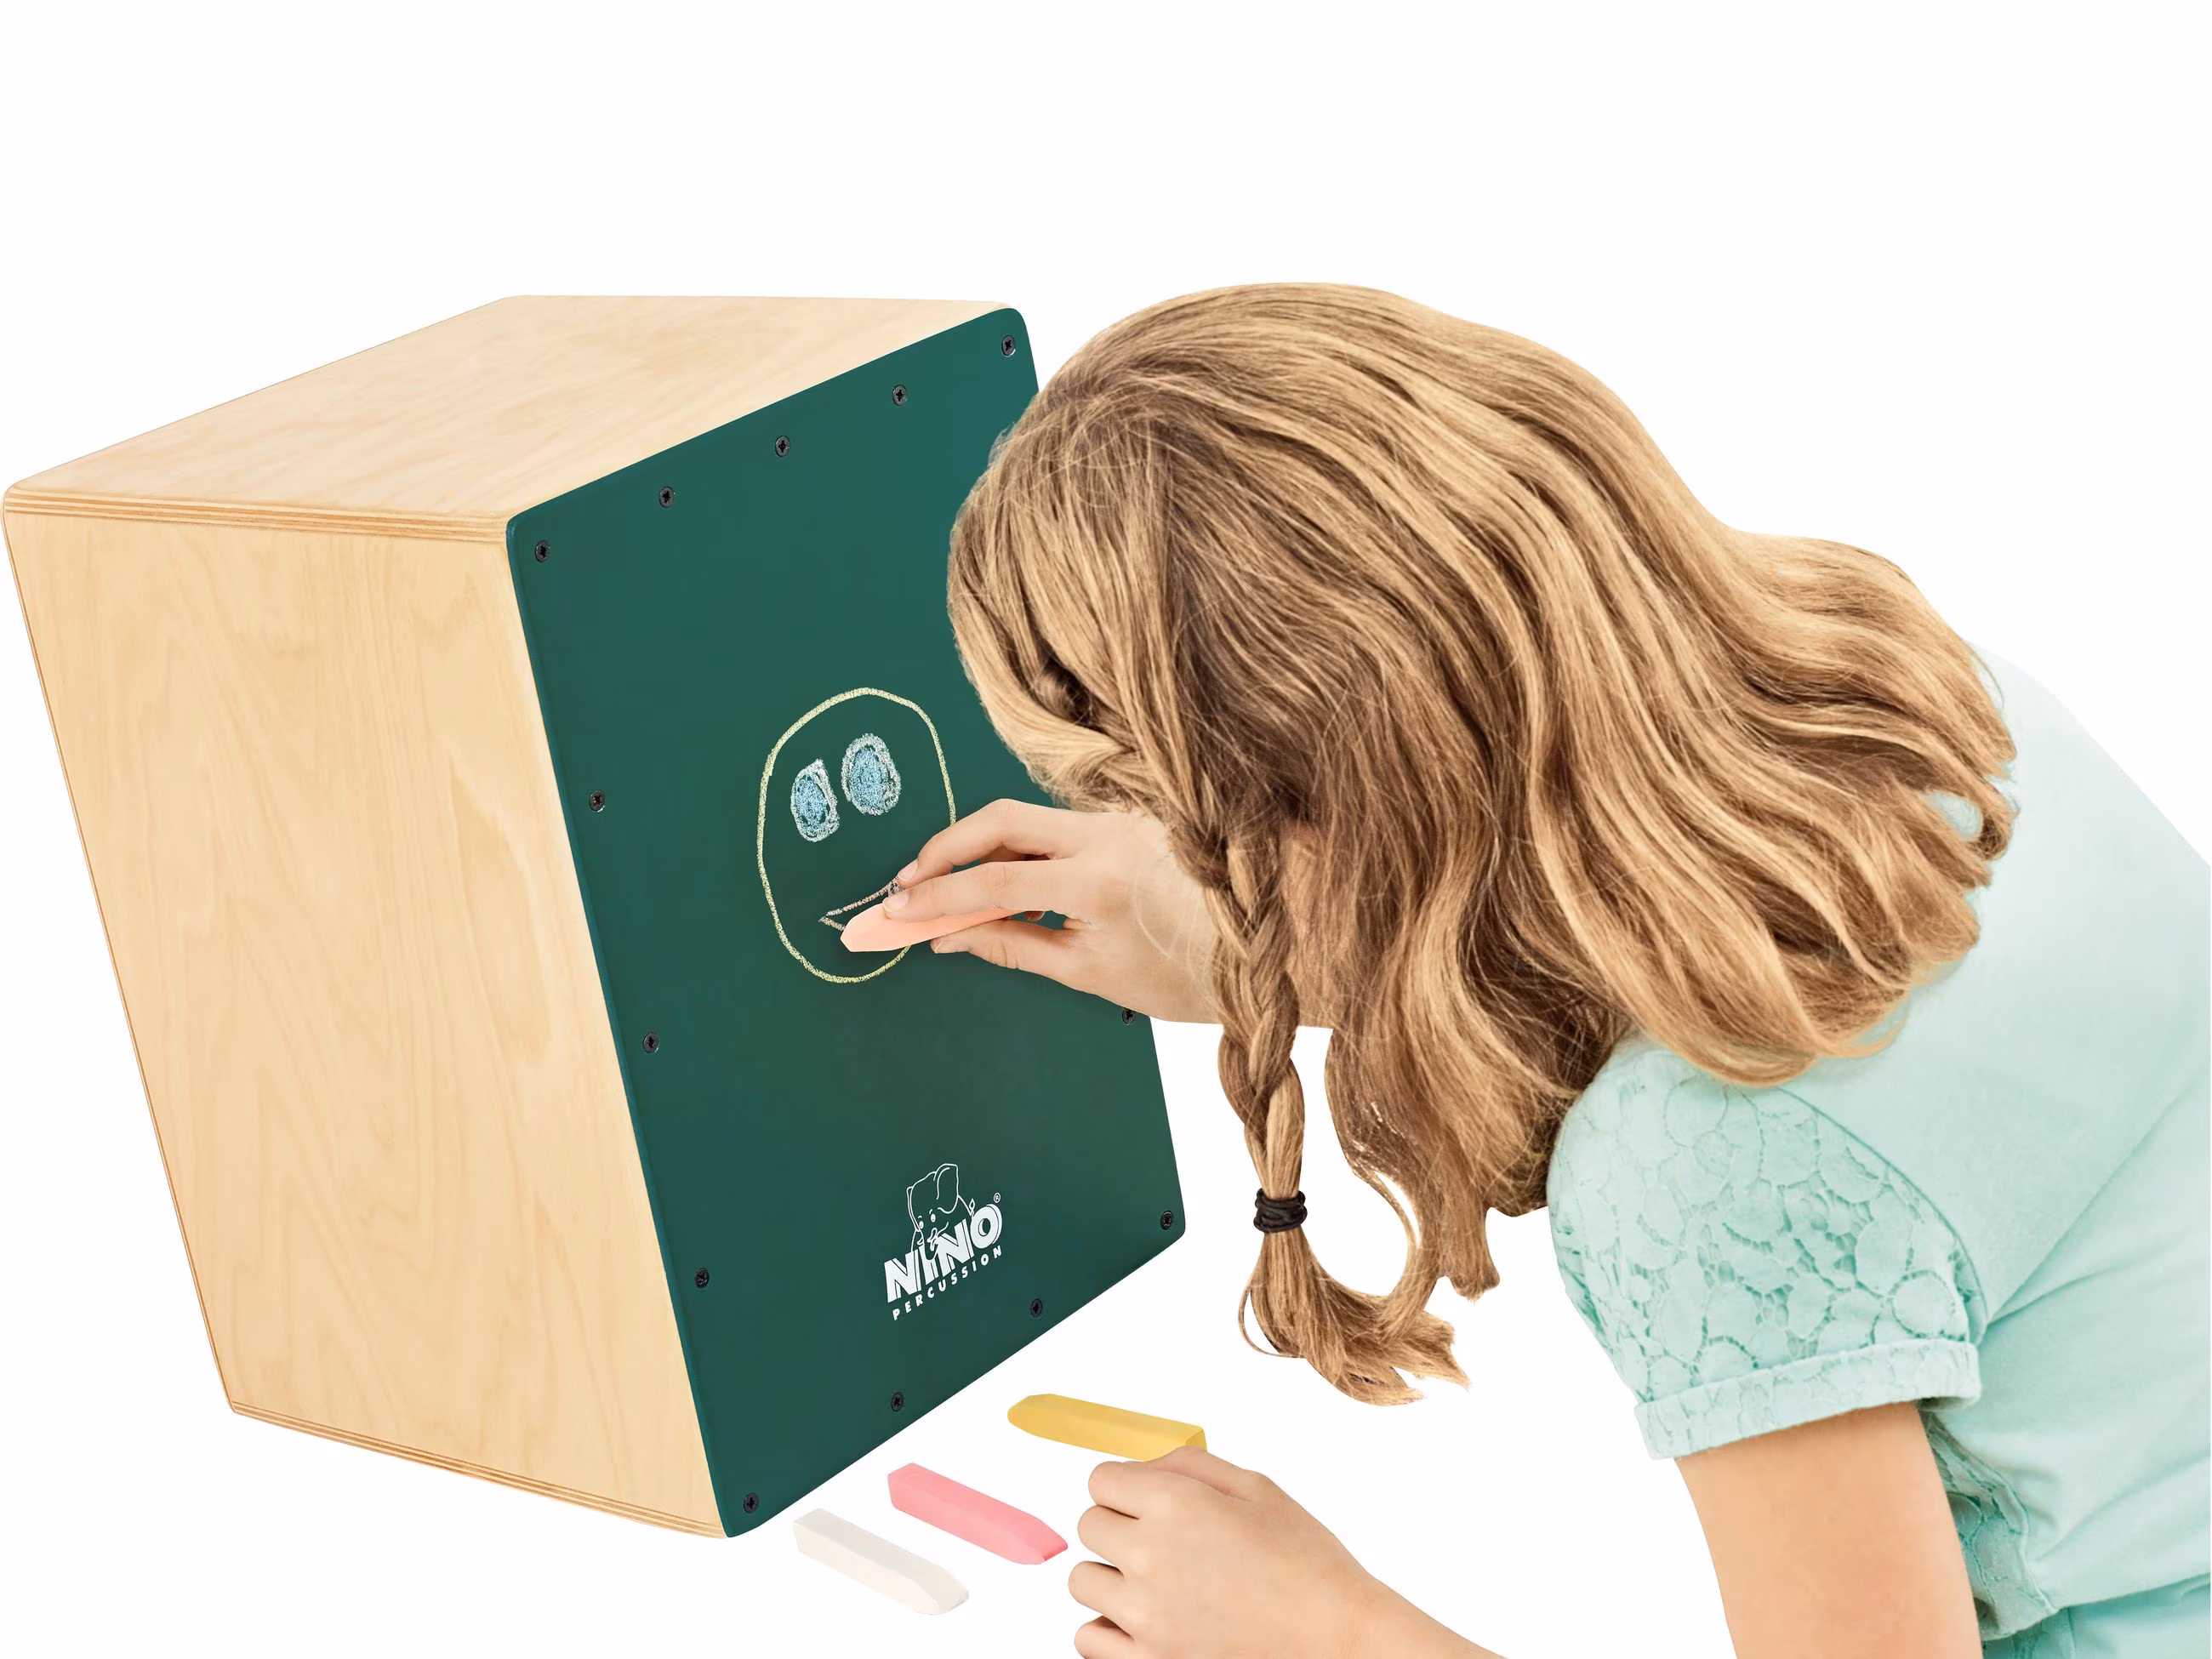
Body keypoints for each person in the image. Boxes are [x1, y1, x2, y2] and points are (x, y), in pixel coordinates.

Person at [879, 285, 2209, 1658]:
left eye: (1177, 815)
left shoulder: (1706, 1156)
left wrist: (1324, 1629)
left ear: (1316, 819)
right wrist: (1242, 924)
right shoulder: (1909, 695)